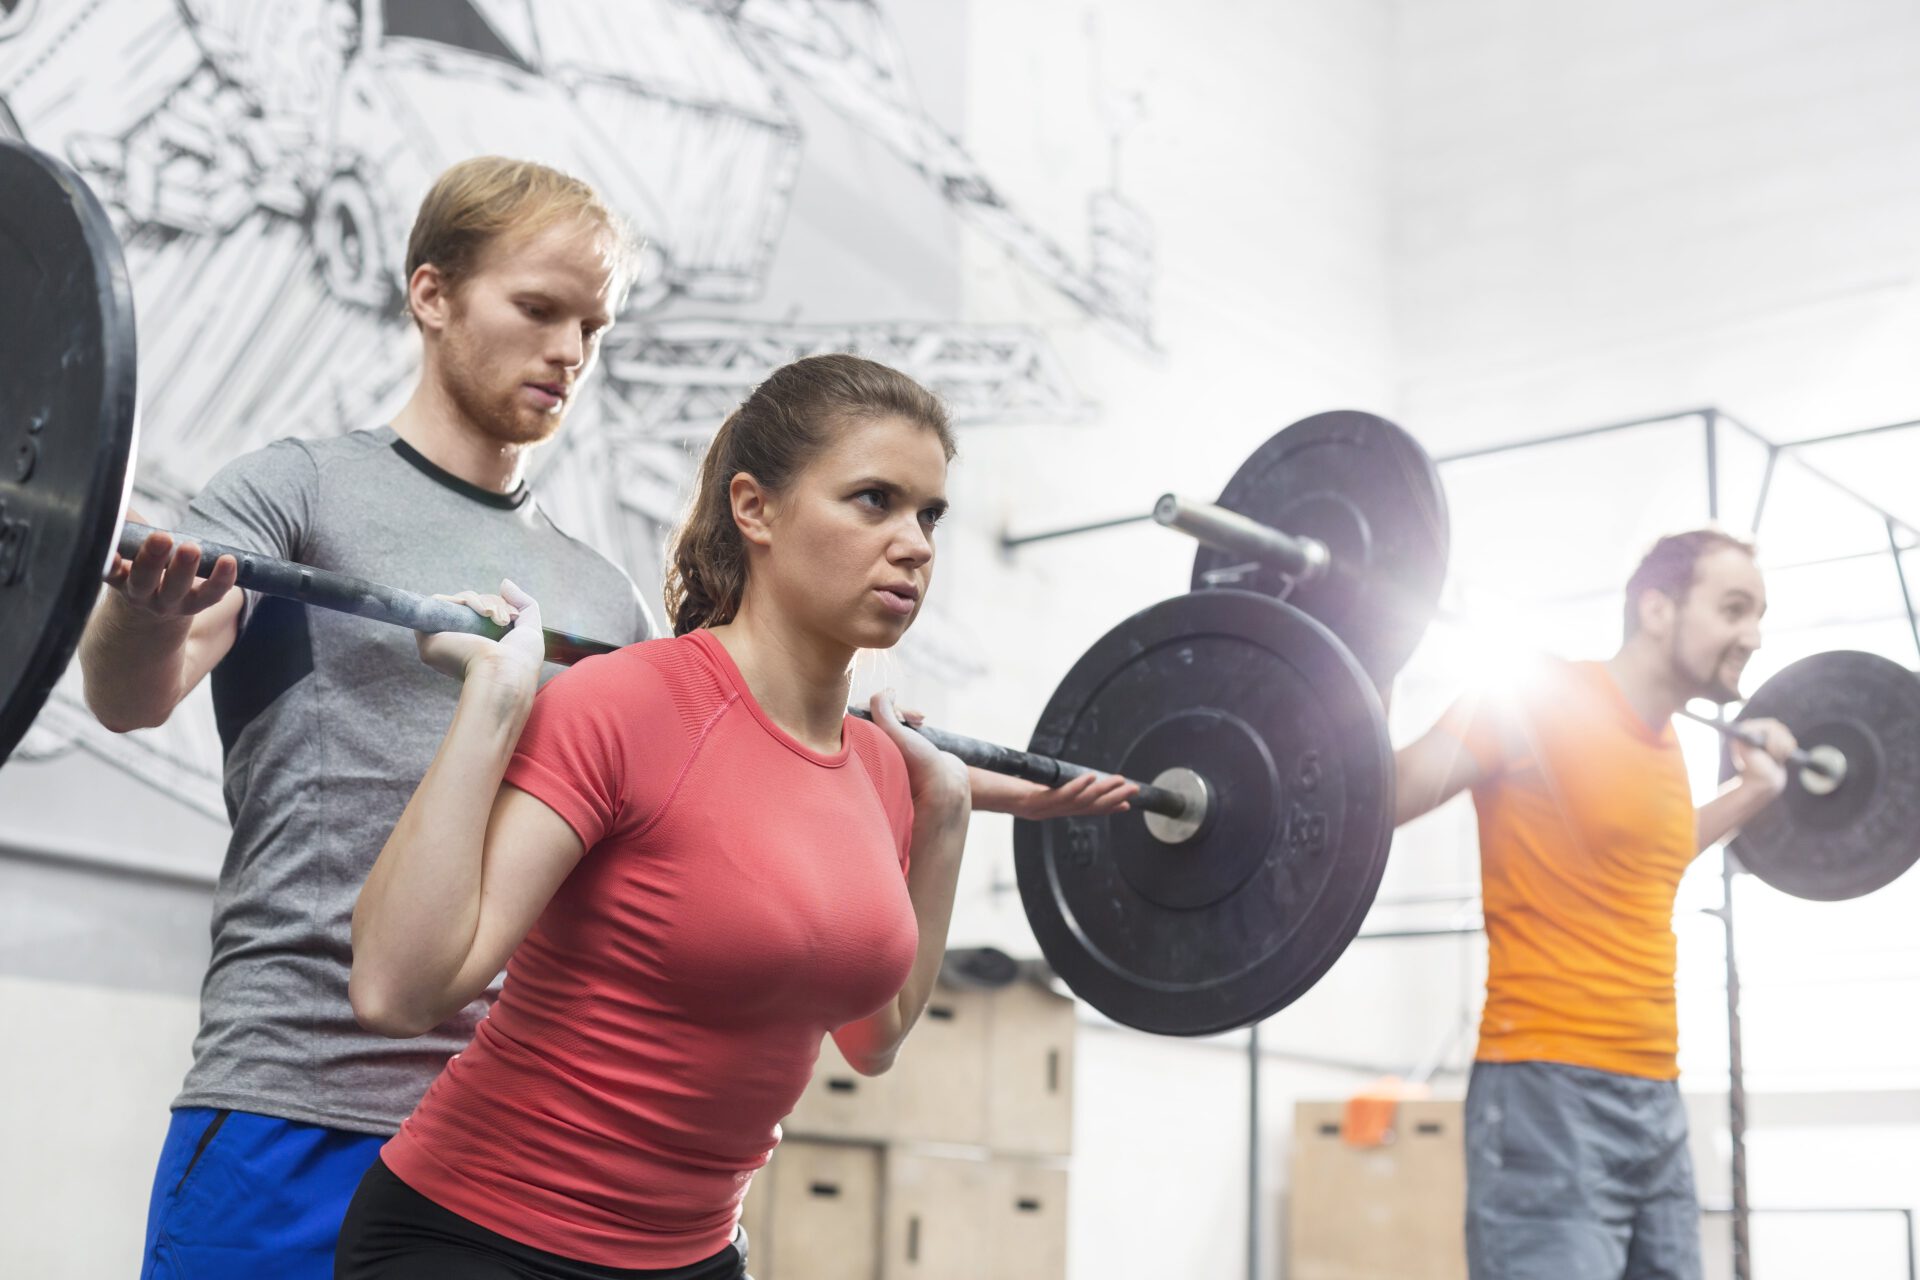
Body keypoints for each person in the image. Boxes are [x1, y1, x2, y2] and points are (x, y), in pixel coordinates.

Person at [333, 354, 1098, 1278]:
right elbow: (395, 989)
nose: (916, 543)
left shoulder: (883, 774)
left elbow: (875, 1038)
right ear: (755, 509)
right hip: (482, 1237)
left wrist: (942, 813)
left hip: (694, 1258)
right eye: (874, 501)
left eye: (929, 514)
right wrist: (496, 700)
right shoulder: (627, 706)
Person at [84, 155, 657, 1280]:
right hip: (296, 1097)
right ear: (431, 294)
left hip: (508, 1137)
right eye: (539, 308)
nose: (571, 352)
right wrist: (144, 611)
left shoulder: (605, 598)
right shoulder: (295, 493)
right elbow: (131, 693)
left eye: (594, 325)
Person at [1392, 529, 1799, 1280]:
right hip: (1546, 1091)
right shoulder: (1532, 700)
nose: (1755, 635)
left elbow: (1653, 856)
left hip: (1654, 1094)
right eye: (1735, 609)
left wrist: (1752, 794)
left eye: (1760, 614)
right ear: (1657, 608)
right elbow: (1382, 796)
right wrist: (1360, 656)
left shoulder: (1666, 743)